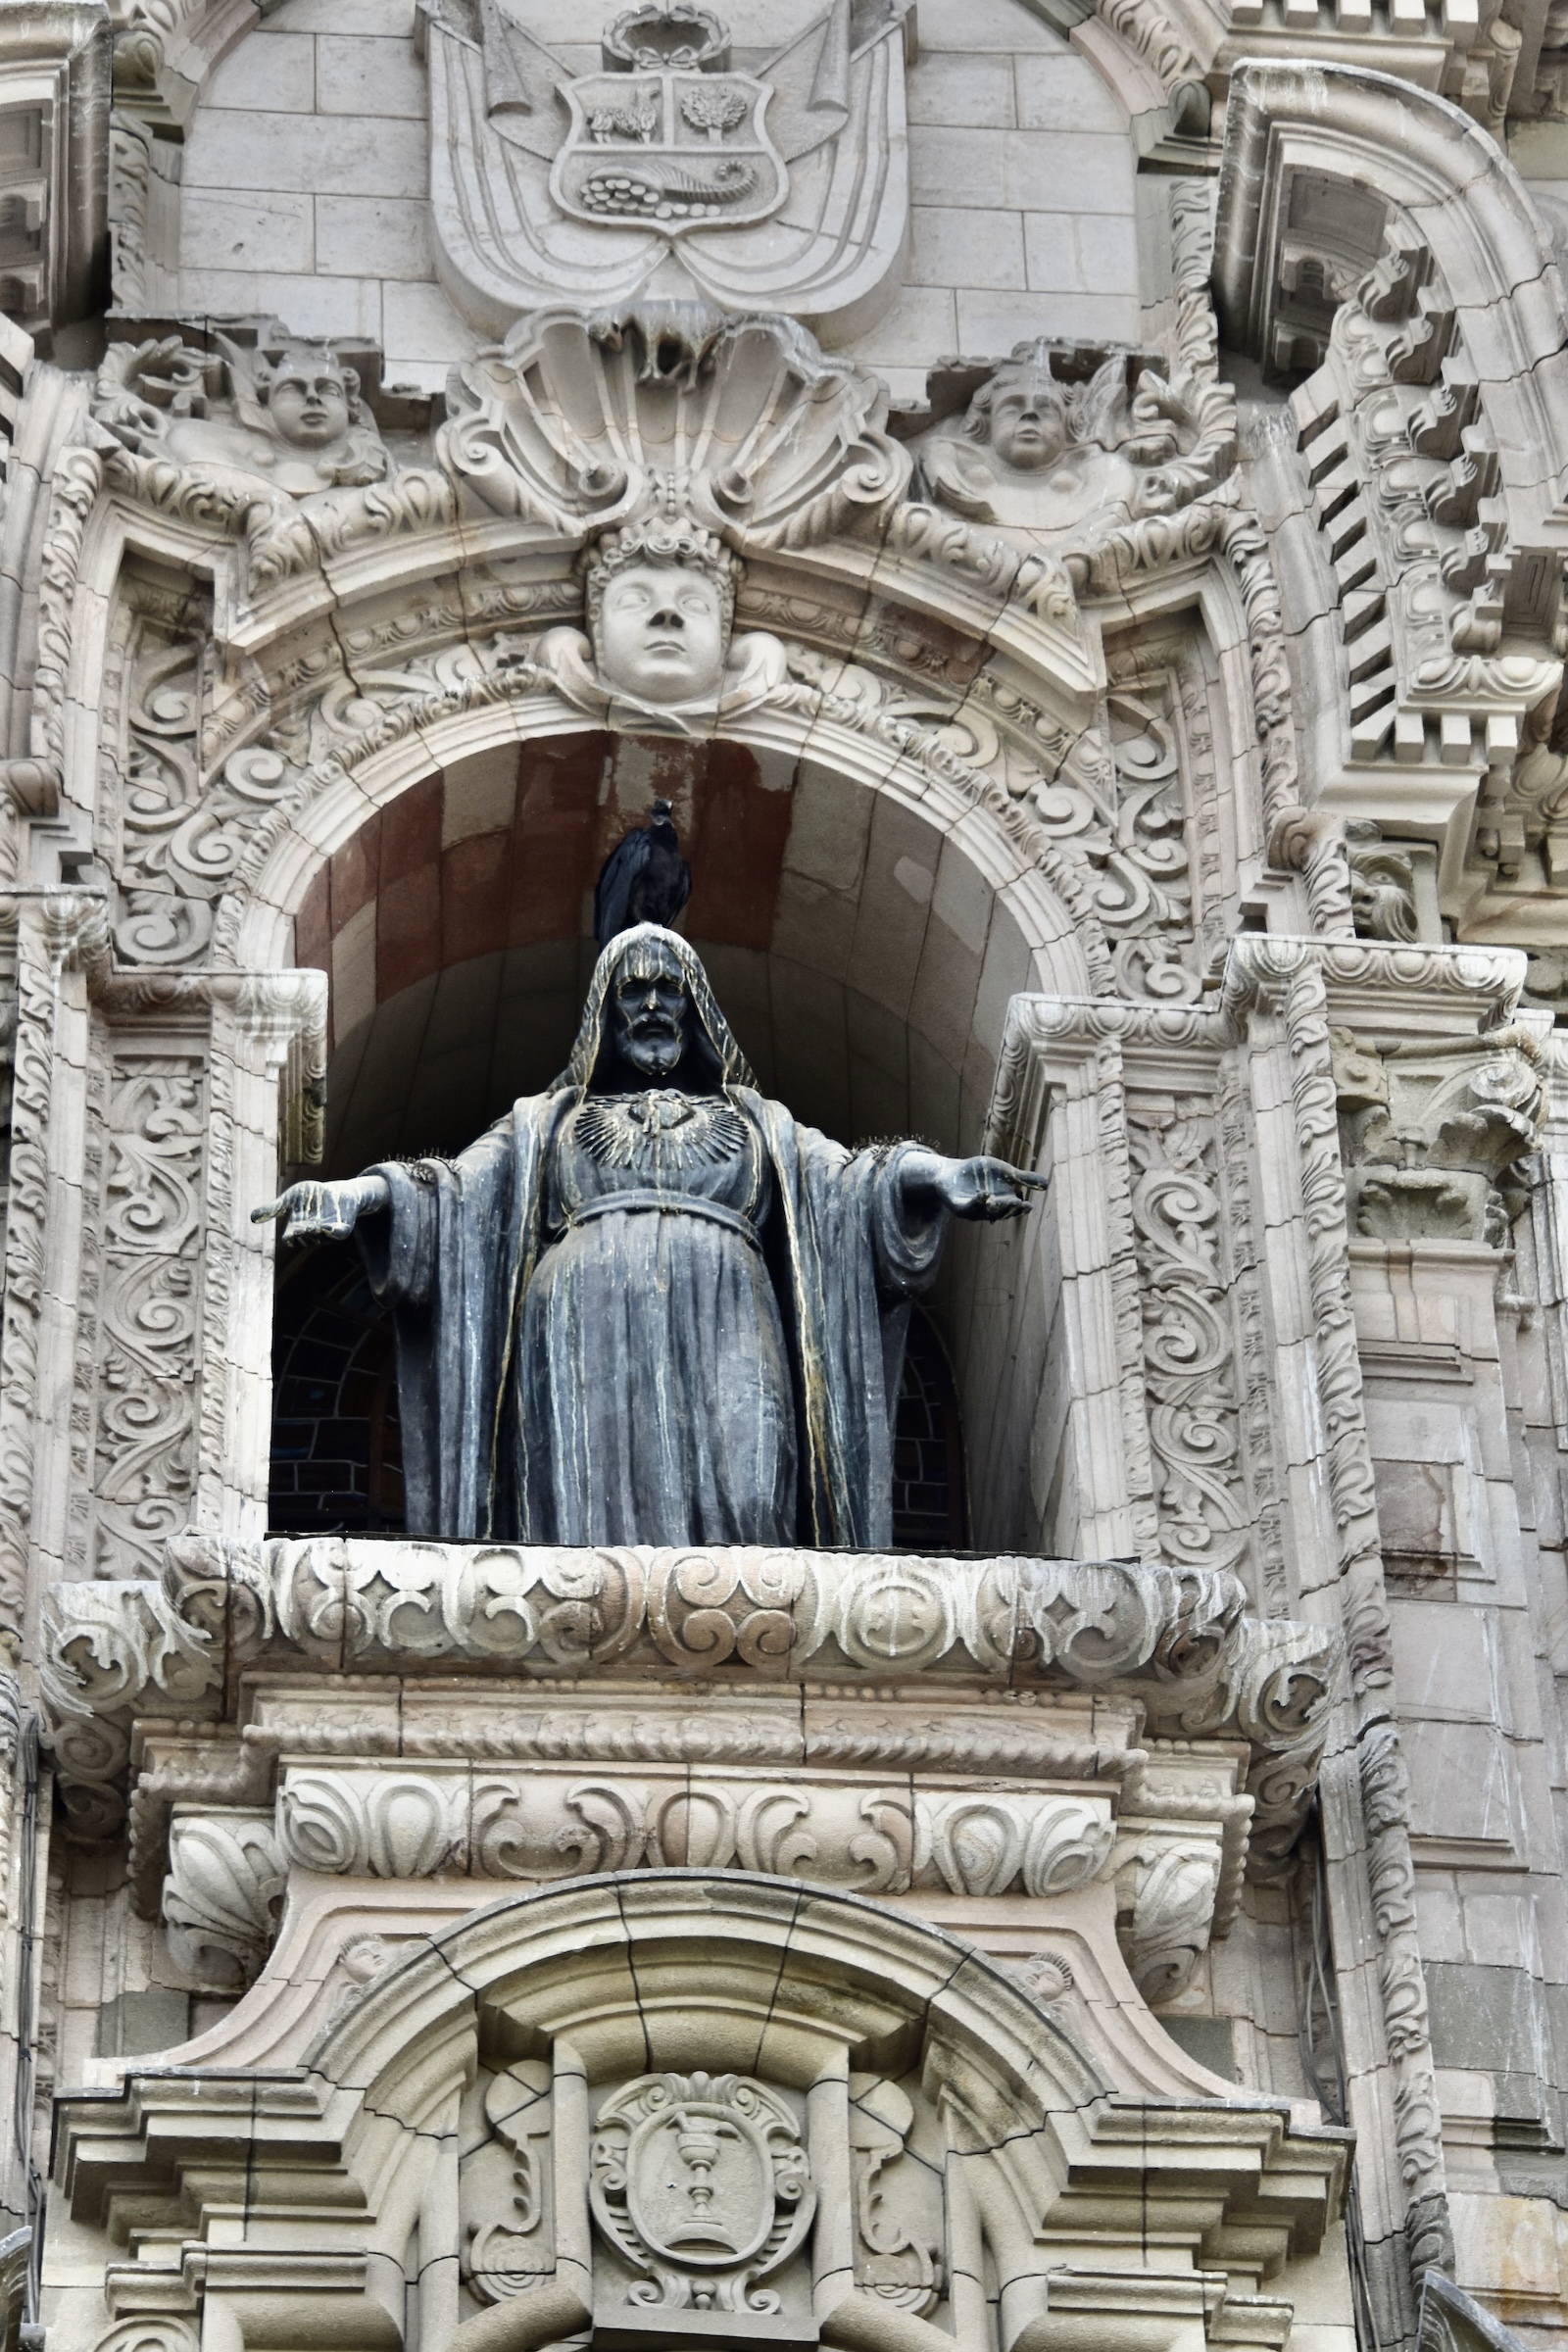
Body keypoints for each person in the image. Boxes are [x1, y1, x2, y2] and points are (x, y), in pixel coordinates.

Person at [255, 926, 1045, 1547]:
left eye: (669, 990)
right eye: (632, 993)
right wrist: (360, 1195)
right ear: (605, 1014)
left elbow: (850, 1185)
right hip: (578, 1325)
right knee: (585, 1492)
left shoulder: (756, 1124)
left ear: (698, 1010)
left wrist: (933, 1178)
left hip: (731, 1311)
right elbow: (453, 1195)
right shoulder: (549, 1122)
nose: (651, 1007)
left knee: (751, 1480)